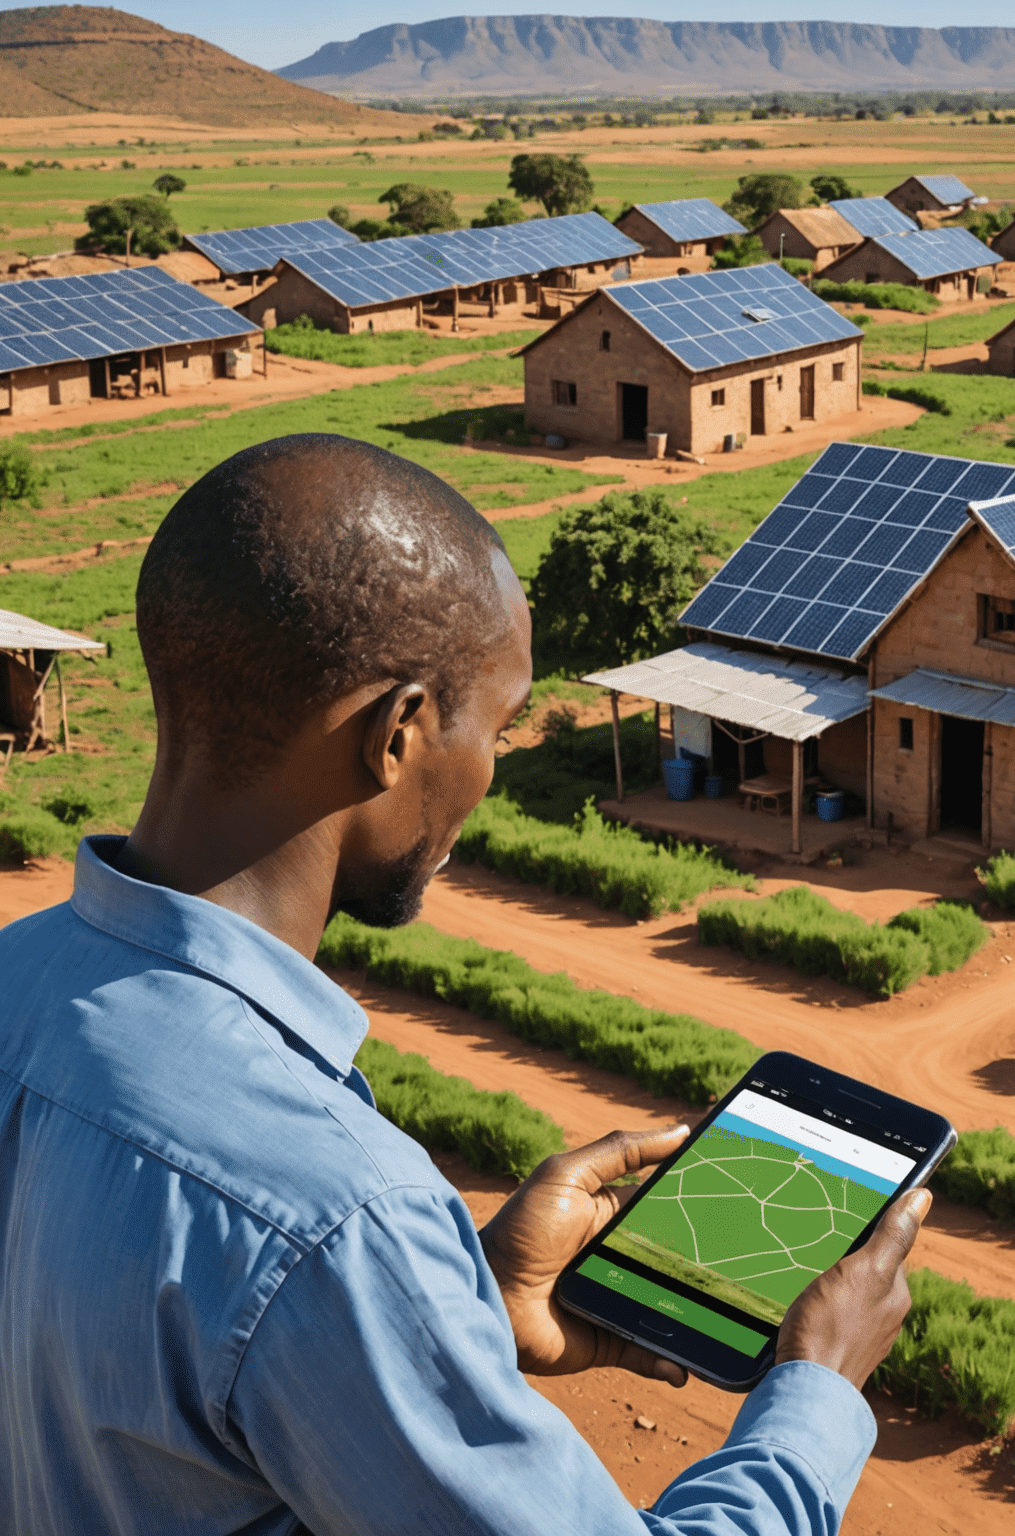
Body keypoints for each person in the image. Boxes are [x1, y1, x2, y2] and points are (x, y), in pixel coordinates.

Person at [0, 435, 931, 1535]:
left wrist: (456, 1302)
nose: (492, 771)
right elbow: (280, 1267)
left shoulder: (20, 980)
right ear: (396, 735)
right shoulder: (331, 1214)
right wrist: (816, 1394)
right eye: (497, 726)